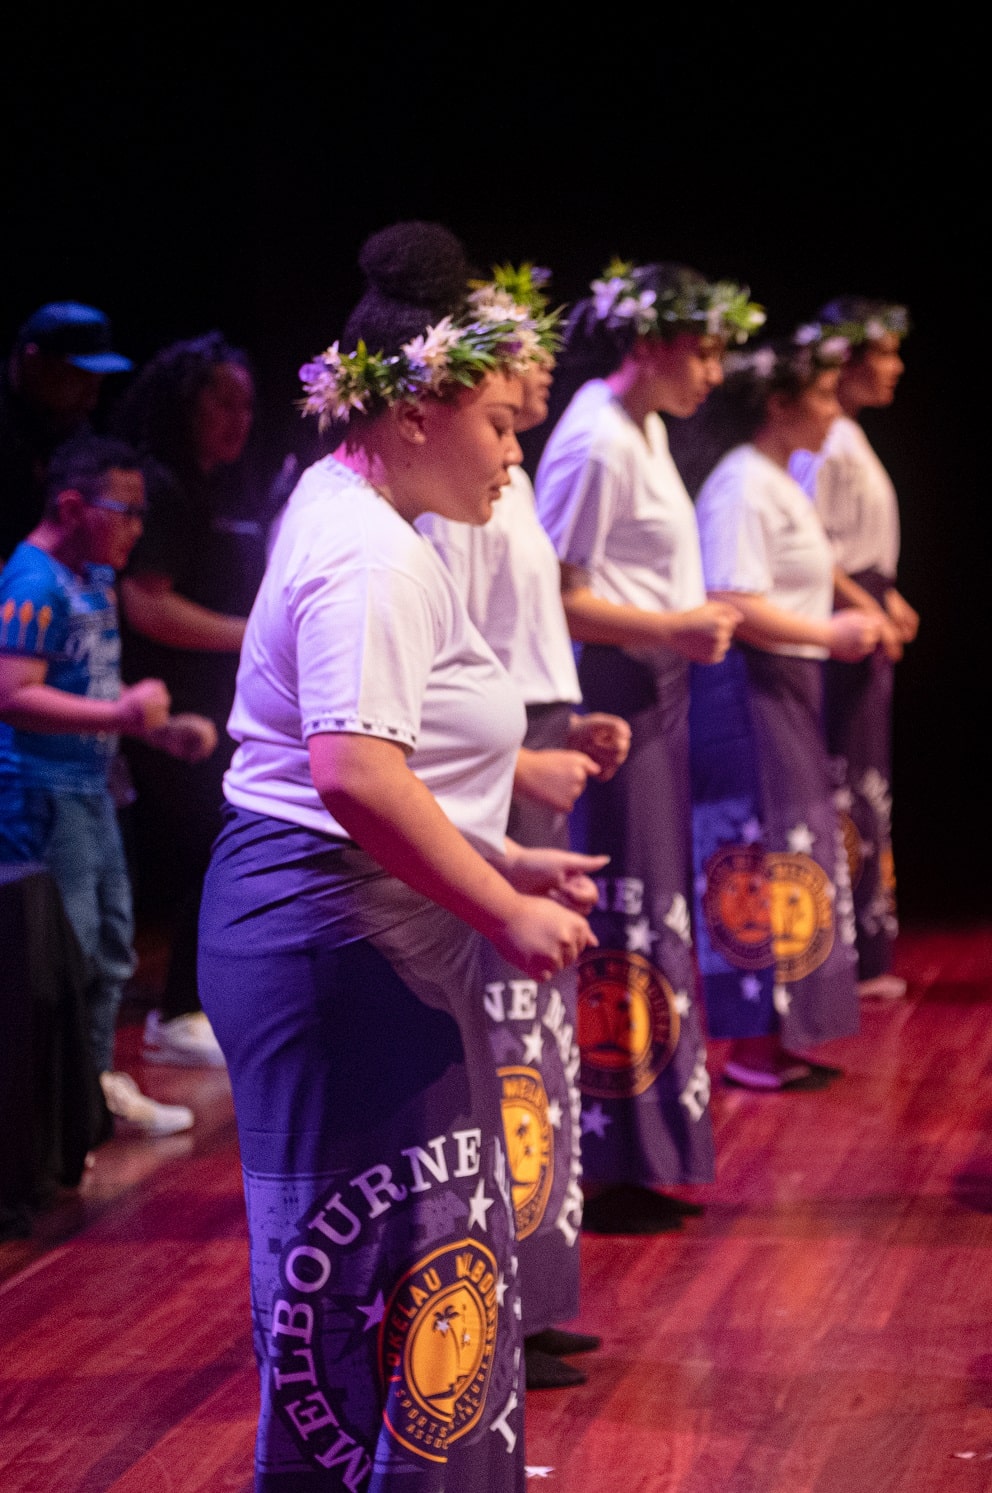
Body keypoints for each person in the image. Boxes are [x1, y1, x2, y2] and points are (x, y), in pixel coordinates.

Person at [198, 221, 602, 1487]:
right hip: (331, 930)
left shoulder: (356, 504)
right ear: (416, 410)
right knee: (366, 1262)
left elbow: (366, 774)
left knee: (411, 1249)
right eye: (496, 420)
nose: (513, 449)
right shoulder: (370, 554)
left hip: (343, 914)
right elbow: (354, 775)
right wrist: (497, 902)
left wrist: (494, 854)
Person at [415, 263, 625, 1391]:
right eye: (518, 353)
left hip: (531, 730)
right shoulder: (455, 501)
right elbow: (453, 665)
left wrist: (567, 713)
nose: (543, 364)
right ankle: (498, 1298)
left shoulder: (515, 472)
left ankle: (534, 1291)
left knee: (537, 1048)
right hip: (483, 765)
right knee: (503, 1042)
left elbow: (520, 636)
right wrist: (515, 755)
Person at [537, 259, 759, 1235]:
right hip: (612, 690)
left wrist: (681, 622)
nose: (713, 370)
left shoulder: (646, 428)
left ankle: (642, 1148)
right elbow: (552, 589)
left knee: (652, 912)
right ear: (647, 341)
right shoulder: (593, 440)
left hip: (655, 684)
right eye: (702, 347)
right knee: (621, 913)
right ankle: (603, 1152)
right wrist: (668, 628)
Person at [677, 331, 886, 1091]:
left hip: (788, 684)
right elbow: (733, 600)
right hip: (750, 686)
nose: (835, 411)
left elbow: (811, 568)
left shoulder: (774, 478)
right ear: (778, 404)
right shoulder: (740, 483)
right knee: (757, 853)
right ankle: (752, 1044)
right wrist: (829, 633)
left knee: (794, 849)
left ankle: (784, 1032)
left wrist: (861, 608)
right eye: (823, 396)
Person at [0, 436, 215, 1139]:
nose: (137, 527)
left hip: (92, 789)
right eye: (123, 511)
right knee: (67, 951)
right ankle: (58, 1108)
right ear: (71, 505)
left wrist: (155, 728)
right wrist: (120, 715)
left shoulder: (90, 577)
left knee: (113, 942)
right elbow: (13, 693)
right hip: (43, 791)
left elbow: (84, 681)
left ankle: (90, 1091)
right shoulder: (33, 582)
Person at [111, 332, 268, 1068]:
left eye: (248, 405)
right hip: (156, 710)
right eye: (222, 402)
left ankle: (191, 1003)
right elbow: (146, 606)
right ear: (186, 402)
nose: (239, 420)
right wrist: (256, 634)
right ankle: (173, 1011)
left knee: (209, 845)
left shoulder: (218, 488)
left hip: (205, 707)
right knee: (189, 852)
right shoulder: (161, 487)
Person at [789, 298, 912, 1000]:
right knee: (845, 781)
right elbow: (813, 549)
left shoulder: (849, 435)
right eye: (885, 355)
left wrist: (887, 598)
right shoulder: (826, 441)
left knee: (867, 783)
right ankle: (847, 946)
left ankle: (868, 940)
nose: (894, 369)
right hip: (840, 621)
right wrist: (869, 604)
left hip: (865, 610)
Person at [1, 303, 133, 550]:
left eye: (98, 385)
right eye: (80, 379)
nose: (92, 401)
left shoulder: (73, 426)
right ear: (34, 362)